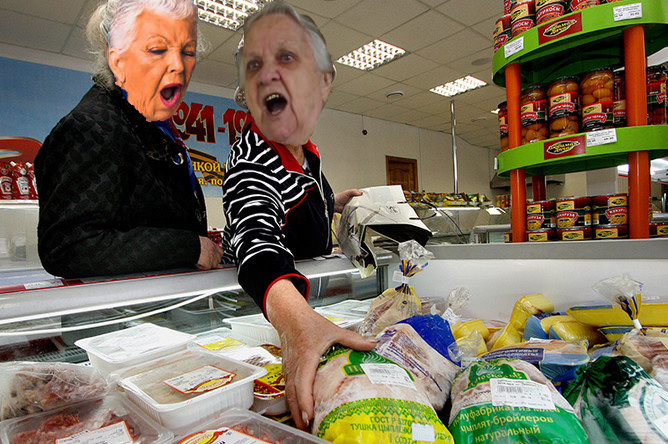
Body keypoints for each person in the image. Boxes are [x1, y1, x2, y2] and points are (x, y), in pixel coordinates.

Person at [221, 1, 375, 430]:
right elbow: (256, 240)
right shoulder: (251, 158)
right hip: (266, 314)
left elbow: (295, 197)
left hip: (307, 307)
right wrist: (299, 327)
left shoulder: (305, 152)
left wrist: (332, 201)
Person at [35, 0, 223, 278]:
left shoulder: (152, 123)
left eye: (187, 51)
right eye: (157, 49)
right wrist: (190, 247)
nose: (178, 66)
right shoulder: (91, 125)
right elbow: (68, 248)